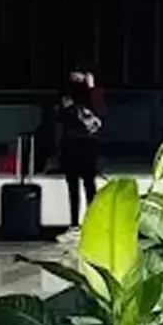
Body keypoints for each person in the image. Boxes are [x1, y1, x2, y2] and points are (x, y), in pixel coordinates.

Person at [51, 68, 106, 230]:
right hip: (70, 143)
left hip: (88, 143)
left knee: (89, 184)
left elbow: (100, 111)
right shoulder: (66, 94)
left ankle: (93, 222)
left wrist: (91, 88)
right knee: (73, 186)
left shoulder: (95, 93)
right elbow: (60, 116)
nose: (76, 77)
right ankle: (74, 223)